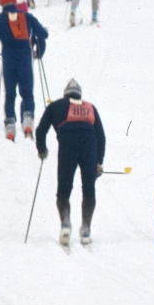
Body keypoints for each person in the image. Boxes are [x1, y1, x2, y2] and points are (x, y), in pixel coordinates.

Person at [35, 79, 106, 247]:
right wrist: (99, 162)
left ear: (65, 94)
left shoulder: (55, 106)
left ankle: (65, 223)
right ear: (79, 95)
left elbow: (40, 130)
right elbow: (101, 136)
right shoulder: (90, 107)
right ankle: (86, 229)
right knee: (89, 188)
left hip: (67, 143)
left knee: (64, 189)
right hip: (90, 144)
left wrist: (42, 150)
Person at [0, 0, 49, 141]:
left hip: (8, 59)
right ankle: (27, 124)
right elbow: (44, 34)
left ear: (1, 2)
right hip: (25, 58)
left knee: (10, 95)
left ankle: (10, 129)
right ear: (14, 0)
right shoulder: (27, 17)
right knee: (27, 94)